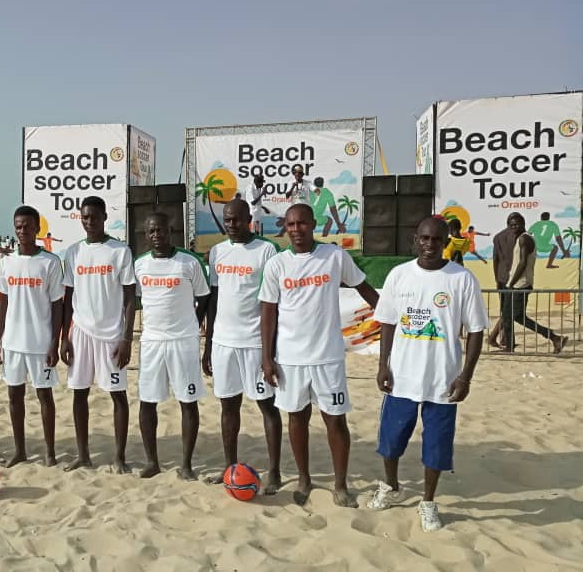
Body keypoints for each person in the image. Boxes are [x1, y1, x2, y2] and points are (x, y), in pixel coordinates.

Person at [370, 217, 488, 531]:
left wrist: (465, 376)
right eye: (424, 239)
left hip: (443, 381)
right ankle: (391, 487)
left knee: (436, 447)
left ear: (446, 241)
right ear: (415, 239)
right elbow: (388, 322)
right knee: (391, 442)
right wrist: (383, 364)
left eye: (437, 240)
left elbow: (476, 331)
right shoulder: (400, 275)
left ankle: (428, 502)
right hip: (402, 378)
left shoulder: (461, 279)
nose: (430, 245)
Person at [260, 203, 379, 507]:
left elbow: (365, 289)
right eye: (290, 225)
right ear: (284, 228)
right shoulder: (277, 265)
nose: (296, 230)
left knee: (335, 421)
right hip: (290, 358)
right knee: (297, 419)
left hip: (328, 357)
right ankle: (304, 478)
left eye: (302, 223)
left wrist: (391, 317)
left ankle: (340, 484)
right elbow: (269, 312)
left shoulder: (335, 257)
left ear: (314, 224)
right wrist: (267, 357)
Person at [202, 199, 283, 492]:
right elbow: (213, 300)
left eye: (237, 220)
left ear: (249, 218)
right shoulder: (218, 252)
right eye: (227, 220)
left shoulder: (267, 250)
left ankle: (274, 471)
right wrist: (208, 345)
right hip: (223, 343)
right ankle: (229, 466)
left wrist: (269, 352)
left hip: (253, 344)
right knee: (228, 406)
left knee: (267, 407)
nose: (232, 225)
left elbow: (273, 304)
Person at [60, 196, 136, 473]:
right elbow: (69, 297)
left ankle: (119, 457)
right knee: (79, 393)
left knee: (117, 395)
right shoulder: (73, 252)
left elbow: (130, 298)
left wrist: (127, 338)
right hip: (80, 332)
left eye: (94, 217)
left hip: (112, 335)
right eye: (85, 217)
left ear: (105, 216)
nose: (89, 222)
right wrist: (64, 337)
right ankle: (83, 455)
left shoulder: (119, 251)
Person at [135, 211, 211, 479]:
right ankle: (152, 461)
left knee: (187, 401)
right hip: (152, 342)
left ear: (171, 231)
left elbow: (204, 297)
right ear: (146, 235)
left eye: (161, 230)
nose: (157, 235)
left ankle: (187, 464)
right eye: (151, 231)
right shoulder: (140, 265)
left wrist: (195, 322)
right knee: (147, 402)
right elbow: (134, 298)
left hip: (183, 342)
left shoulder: (189, 263)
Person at [0, 206, 64, 467]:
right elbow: (2, 303)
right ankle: (20, 450)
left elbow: (58, 305)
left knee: (44, 396)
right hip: (12, 342)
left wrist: (55, 342)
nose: (22, 231)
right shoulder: (7, 262)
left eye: (27, 226)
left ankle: (50, 451)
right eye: (18, 226)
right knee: (14, 397)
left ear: (37, 228)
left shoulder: (50, 262)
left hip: (40, 342)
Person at [492, 212, 567, 354]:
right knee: (510, 316)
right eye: (511, 224)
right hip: (516, 284)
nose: (514, 226)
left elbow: (522, 263)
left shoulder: (524, 239)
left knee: (516, 317)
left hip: (520, 284)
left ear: (523, 224)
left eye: (517, 224)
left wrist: (510, 283)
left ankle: (554, 337)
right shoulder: (522, 238)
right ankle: (510, 346)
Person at [276, 164, 312, 238]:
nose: (297, 175)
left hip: (304, 208)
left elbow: (314, 189)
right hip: (295, 208)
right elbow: (287, 196)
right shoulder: (290, 183)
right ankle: (282, 234)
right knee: (291, 222)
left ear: (302, 175)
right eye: (296, 174)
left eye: (299, 174)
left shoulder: (307, 183)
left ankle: (306, 236)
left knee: (304, 223)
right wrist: (293, 186)